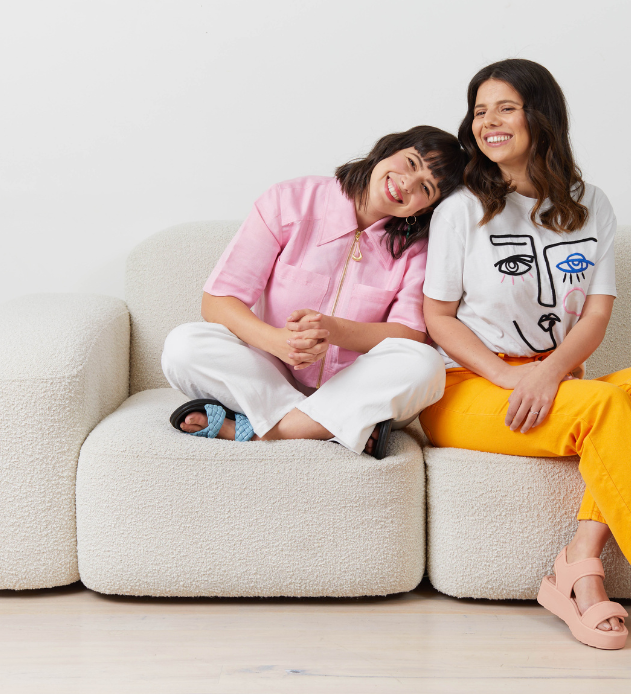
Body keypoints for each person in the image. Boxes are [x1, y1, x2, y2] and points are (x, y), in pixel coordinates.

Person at [420, 60, 631, 664]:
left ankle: (578, 565)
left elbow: (596, 315)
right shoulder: (462, 209)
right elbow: (437, 316)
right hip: (468, 385)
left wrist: (549, 370)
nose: (489, 122)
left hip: (552, 376)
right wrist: (509, 375)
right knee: (601, 402)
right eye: (479, 110)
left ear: (540, 115)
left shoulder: (589, 204)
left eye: (506, 107)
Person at [162, 125, 465, 459]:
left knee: (425, 365)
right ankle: (333, 426)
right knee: (183, 346)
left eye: (425, 187)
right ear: (388, 149)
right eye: (410, 163)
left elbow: (407, 334)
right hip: (267, 372)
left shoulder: (419, 248)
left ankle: (263, 431)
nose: (407, 182)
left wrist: (332, 330)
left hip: (358, 386)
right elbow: (218, 300)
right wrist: (275, 340)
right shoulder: (289, 201)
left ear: (423, 209)